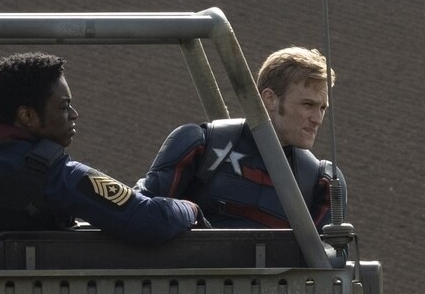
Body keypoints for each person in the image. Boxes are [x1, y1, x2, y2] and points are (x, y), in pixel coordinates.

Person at [0, 52, 199, 248]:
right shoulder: (57, 175)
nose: (74, 114)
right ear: (27, 116)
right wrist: (191, 208)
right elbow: (151, 220)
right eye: (63, 106)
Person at [146, 45, 346, 232]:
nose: (318, 119)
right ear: (270, 99)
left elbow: (330, 257)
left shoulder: (323, 182)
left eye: (322, 108)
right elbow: (141, 215)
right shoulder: (199, 145)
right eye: (308, 105)